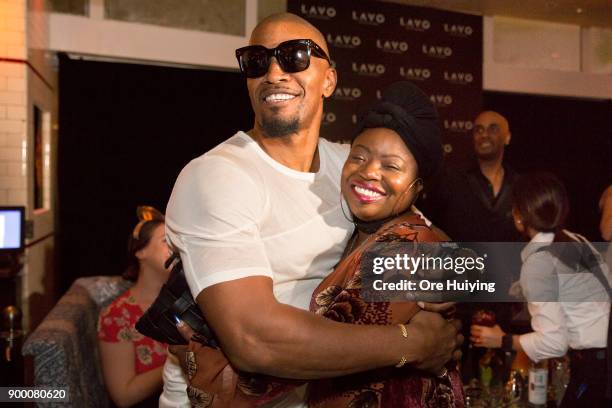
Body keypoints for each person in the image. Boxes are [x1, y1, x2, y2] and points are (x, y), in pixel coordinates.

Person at [160, 12, 461, 408]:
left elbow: (437, 243)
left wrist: (448, 286)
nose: (274, 72)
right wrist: (416, 343)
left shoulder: (348, 166)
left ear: (330, 80)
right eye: (256, 60)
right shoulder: (217, 176)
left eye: (295, 55)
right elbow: (254, 340)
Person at [470, 172, 612, 407]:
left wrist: (501, 340)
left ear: (518, 216)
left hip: (594, 368)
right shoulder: (576, 240)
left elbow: (554, 342)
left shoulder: (539, 262)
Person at [98, 206, 170, 407]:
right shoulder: (117, 316)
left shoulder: (188, 302)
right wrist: (177, 361)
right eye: (167, 241)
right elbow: (123, 396)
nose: (177, 248)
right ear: (140, 251)